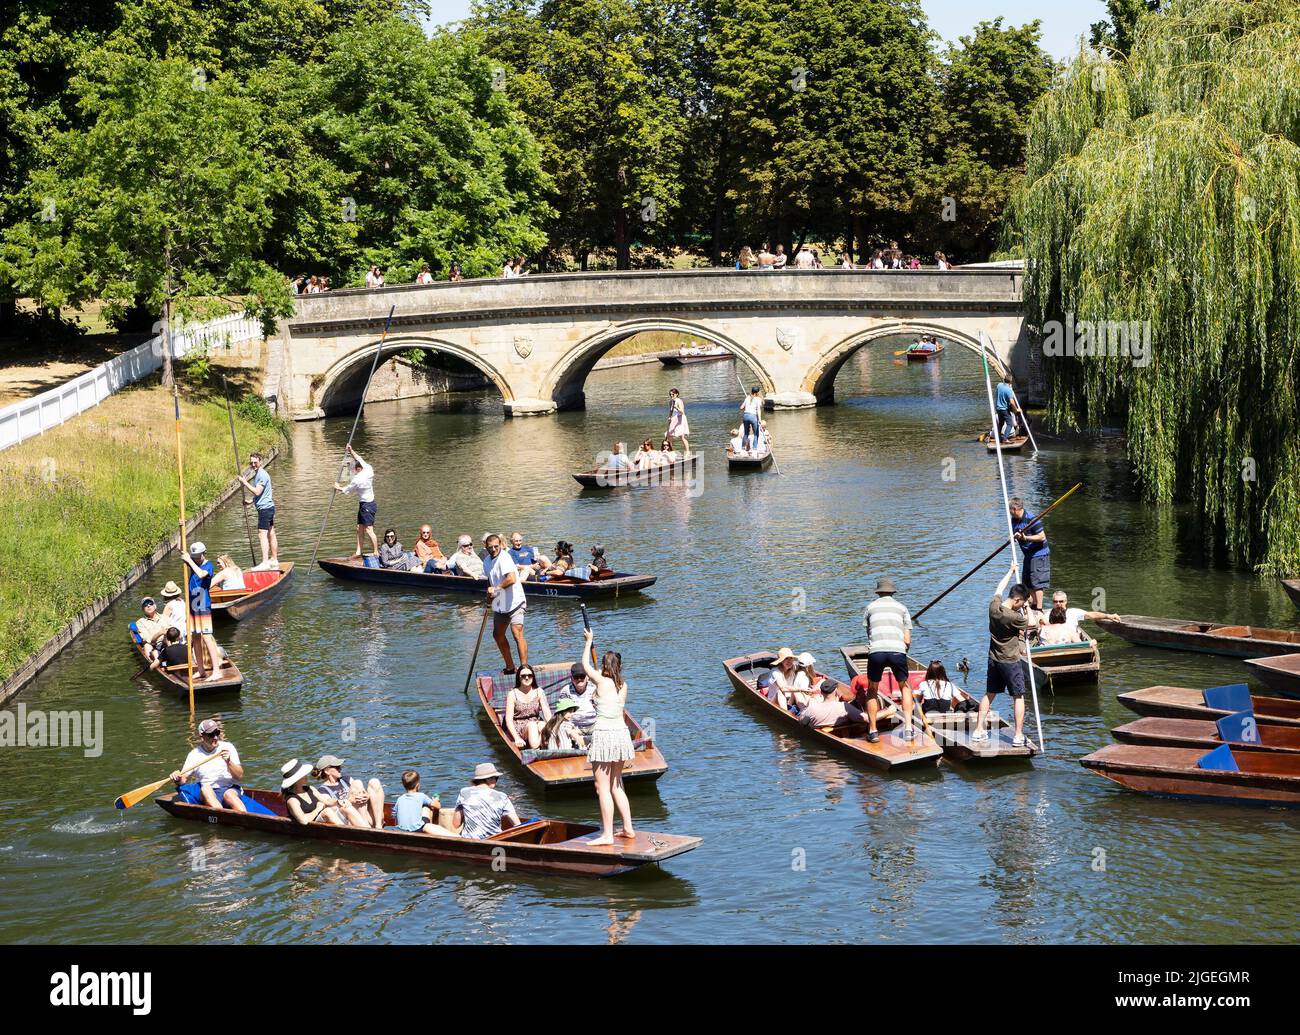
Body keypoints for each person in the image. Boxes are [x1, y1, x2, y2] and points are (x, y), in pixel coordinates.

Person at [972, 567, 1041, 747]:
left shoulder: (994, 607)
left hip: (993, 659)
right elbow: (1033, 624)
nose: (1022, 605)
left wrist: (1010, 571)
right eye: (1022, 602)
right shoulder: (1014, 617)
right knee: (1018, 696)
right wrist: (1027, 608)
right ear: (1018, 600)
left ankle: (979, 730)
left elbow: (999, 588)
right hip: (1010, 661)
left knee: (990, 693)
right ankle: (1018, 735)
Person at [581, 628, 636, 845]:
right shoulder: (623, 686)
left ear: (604, 666)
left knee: (602, 787)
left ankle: (607, 835)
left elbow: (585, 666)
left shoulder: (601, 682)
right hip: (621, 734)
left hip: (604, 735)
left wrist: (588, 641)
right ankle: (628, 828)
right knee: (616, 784)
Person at [858, 576, 916, 742]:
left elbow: (868, 633)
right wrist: (904, 652)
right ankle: (908, 728)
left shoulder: (870, 608)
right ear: (892, 592)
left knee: (872, 689)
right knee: (905, 688)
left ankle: (873, 730)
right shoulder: (902, 608)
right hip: (898, 652)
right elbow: (907, 640)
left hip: (876, 652)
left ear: (878, 592)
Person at [171, 718, 245, 812]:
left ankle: (246, 817)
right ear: (201, 736)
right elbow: (183, 779)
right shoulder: (194, 755)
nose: (215, 737)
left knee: (229, 795)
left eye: (217, 733)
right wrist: (177, 777)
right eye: (211, 734)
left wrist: (229, 762)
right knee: (206, 789)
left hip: (230, 788)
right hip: (209, 792)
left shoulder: (228, 747)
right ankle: (221, 816)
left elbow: (239, 776)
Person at [181, 541, 223, 681]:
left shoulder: (208, 566)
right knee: (196, 637)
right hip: (193, 607)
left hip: (203, 606)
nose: (195, 559)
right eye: (194, 557)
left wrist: (189, 560)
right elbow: (181, 550)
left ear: (204, 554)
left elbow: (201, 575)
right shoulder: (193, 561)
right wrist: (181, 525)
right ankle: (201, 670)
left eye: (197, 556)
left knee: (207, 637)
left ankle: (217, 671)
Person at [486, 533, 527, 672]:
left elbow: (512, 579)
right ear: (486, 547)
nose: (493, 549)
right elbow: (491, 580)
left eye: (496, 546)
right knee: (497, 634)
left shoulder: (504, 557)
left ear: (500, 545)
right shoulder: (486, 561)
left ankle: (524, 668)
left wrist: (496, 589)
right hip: (500, 601)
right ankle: (510, 666)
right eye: (490, 547)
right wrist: (490, 595)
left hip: (515, 600)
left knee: (517, 632)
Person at [453, 763, 522, 839]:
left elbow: (456, 824)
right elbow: (517, 825)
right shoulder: (502, 796)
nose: (496, 781)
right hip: (495, 840)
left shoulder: (464, 792)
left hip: (470, 841)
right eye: (496, 778)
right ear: (489, 779)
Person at [314, 754, 385, 828]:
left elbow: (361, 791)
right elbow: (329, 804)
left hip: (366, 815)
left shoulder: (347, 779)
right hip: (350, 820)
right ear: (327, 771)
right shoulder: (322, 790)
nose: (340, 768)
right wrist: (349, 800)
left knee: (374, 782)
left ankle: (379, 825)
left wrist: (366, 795)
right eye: (337, 767)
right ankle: (366, 828)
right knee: (357, 783)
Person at [334, 444, 378, 558]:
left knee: (369, 529)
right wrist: (351, 450)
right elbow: (359, 458)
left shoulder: (358, 479)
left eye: (353, 470)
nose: (353, 472)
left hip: (367, 505)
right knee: (359, 528)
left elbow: (347, 490)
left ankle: (376, 551)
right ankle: (359, 551)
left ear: (357, 469)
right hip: (366, 504)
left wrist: (338, 487)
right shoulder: (369, 468)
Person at [1009, 497, 1051, 611]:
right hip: (1028, 554)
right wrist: (1013, 538)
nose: (1009, 512)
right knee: (1028, 582)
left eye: (1010, 510)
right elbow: (1015, 534)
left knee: (1037, 582)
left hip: (1039, 553)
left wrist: (1025, 537)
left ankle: (1039, 609)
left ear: (1014, 509)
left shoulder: (1032, 519)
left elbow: (1042, 537)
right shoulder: (1013, 520)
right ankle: (1033, 605)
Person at [237, 452, 277, 568]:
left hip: (265, 509)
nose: (253, 464)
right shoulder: (258, 474)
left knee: (262, 534)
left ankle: (265, 562)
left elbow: (257, 491)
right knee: (271, 533)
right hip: (268, 507)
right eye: (251, 463)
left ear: (260, 462)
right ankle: (274, 559)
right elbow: (261, 494)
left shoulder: (262, 475)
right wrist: (251, 501)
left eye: (255, 462)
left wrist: (244, 483)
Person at [1039, 591, 1119, 645]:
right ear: (1053, 602)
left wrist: (1109, 616)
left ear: (1066, 601)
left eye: (1061, 601)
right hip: (1060, 641)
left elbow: (1091, 615)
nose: (1058, 604)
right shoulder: (1047, 614)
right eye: (1055, 601)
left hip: (1072, 641)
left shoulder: (1073, 612)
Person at [281, 759, 345, 825]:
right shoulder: (292, 800)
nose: (306, 776)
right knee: (327, 811)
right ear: (296, 780)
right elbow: (303, 821)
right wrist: (318, 808)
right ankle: (347, 830)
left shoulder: (310, 788)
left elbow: (327, 802)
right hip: (307, 827)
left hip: (320, 820)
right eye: (303, 775)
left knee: (345, 808)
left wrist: (338, 802)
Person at [505, 665, 549, 748]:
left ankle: (543, 744)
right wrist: (517, 738)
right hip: (520, 726)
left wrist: (552, 727)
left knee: (543, 724)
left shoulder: (539, 691)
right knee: (532, 725)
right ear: (519, 677)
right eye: (523, 676)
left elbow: (546, 712)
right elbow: (509, 720)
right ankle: (536, 746)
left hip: (536, 721)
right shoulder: (512, 694)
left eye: (530, 675)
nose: (527, 678)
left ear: (533, 677)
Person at [394, 769, 449, 835]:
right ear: (418, 785)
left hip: (401, 830)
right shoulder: (421, 796)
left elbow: (395, 816)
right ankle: (429, 831)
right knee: (426, 807)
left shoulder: (399, 799)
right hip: (417, 829)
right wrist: (436, 800)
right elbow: (438, 806)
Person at [799, 678, 866, 728]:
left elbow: (802, 722)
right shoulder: (844, 707)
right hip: (841, 734)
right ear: (836, 691)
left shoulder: (812, 708)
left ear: (821, 693)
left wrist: (806, 707)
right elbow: (866, 718)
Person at [556, 661, 598, 732]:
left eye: (582, 676)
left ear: (587, 677)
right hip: (574, 727)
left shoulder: (595, 689)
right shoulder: (566, 691)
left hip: (594, 725)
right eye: (576, 677)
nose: (579, 679)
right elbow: (561, 712)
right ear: (571, 679)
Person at [993, 374, 1021, 440]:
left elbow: (1002, 388)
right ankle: (1005, 438)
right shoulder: (1009, 390)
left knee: (1001, 423)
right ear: (1011, 382)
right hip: (1004, 409)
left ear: (1004, 380)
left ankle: (999, 438)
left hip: (998, 408)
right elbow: (1012, 402)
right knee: (1010, 424)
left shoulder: (999, 385)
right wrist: (1016, 410)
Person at [740, 386, 764, 451]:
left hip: (746, 415)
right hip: (753, 416)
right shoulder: (758, 399)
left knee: (746, 433)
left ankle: (743, 448)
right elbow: (758, 410)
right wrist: (759, 420)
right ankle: (754, 449)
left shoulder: (747, 397)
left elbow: (741, 407)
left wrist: (747, 407)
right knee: (756, 434)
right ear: (758, 392)